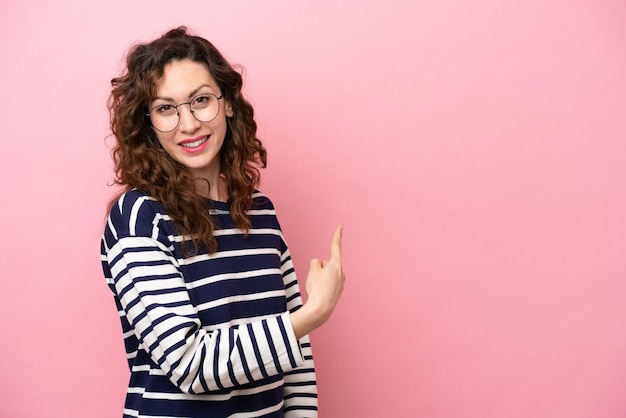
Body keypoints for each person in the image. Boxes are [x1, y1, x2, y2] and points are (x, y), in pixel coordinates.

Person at [101, 27, 345, 418]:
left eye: (200, 101)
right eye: (166, 108)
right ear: (148, 122)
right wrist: (312, 314)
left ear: (228, 103)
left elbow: (295, 362)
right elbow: (189, 364)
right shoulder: (139, 218)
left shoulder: (260, 212)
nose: (189, 123)